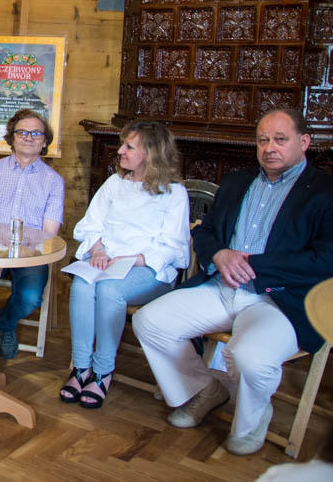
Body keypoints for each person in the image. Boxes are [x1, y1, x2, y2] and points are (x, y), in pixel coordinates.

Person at [134, 108, 333, 456]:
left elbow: (325, 259)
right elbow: (205, 232)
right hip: (220, 288)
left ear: (304, 142)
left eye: (280, 139)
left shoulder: (325, 191)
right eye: (263, 140)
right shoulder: (237, 181)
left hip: (280, 300)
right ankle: (203, 390)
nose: (269, 147)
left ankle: (250, 423)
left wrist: (254, 265)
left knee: (248, 356)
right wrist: (220, 255)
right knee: (149, 321)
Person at [61, 119, 189, 409]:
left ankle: (102, 371)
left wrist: (135, 260)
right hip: (106, 261)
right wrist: (97, 249)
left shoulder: (174, 193)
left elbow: (173, 245)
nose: (120, 151)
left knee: (109, 290)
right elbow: (91, 224)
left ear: (151, 153)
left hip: (148, 269)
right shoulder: (114, 184)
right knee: (81, 286)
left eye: (129, 147)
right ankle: (80, 368)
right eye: (123, 145)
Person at [0, 108, 64, 359]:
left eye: (36, 133)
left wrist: (22, 250)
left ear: (44, 141)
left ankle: (5, 322)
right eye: (22, 132)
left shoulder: (54, 181)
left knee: (30, 298)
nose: (28, 137)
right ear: (11, 137)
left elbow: (49, 231)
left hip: (31, 252)